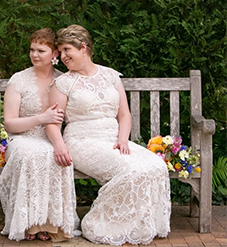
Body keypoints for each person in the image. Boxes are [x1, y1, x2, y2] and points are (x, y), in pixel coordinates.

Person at [46, 24, 171, 245]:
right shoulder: (63, 83)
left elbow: (124, 115)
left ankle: (130, 225)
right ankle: (95, 224)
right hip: (82, 141)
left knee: (156, 166)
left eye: (67, 50)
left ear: (83, 47)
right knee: (131, 170)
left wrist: (123, 139)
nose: (62, 56)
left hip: (114, 140)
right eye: (61, 51)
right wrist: (59, 145)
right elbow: (52, 123)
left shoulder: (111, 76)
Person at [0, 28, 77, 242]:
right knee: (32, 154)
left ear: (54, 54)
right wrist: (42, 118)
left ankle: (49, 225)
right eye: (32, 50)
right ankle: (28, 224)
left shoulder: (63, 81)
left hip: (52, 139)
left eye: (41, 50)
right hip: (23, 138)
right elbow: (10, 124)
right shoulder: (19, 80)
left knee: (55, 155)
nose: (34, 55)